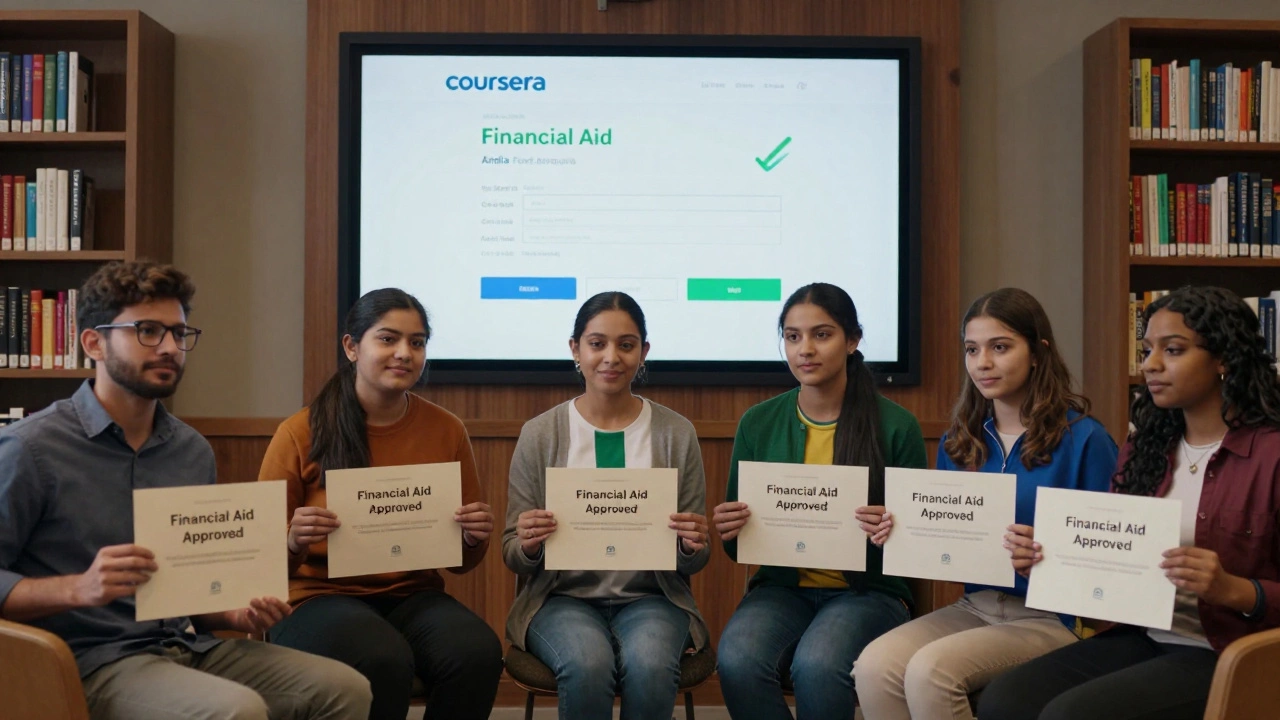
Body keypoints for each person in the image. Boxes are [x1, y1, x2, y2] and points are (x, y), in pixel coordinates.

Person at [0, 261, 371, 719]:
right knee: (237, 710)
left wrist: (235, 614)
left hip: (184, 644)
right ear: (93, 342)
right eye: (149, 331)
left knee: (347, 688)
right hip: (88, 661)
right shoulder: (31, 448)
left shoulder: (190, 450)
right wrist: (79, 588)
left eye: (179, 333)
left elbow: (191, 591)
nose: (171, 348)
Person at [978, 285, 1280, 720]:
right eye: (1147, 350)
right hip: (1139, 634)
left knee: (1071, 714)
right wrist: (1050, 560)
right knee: (1005, 699)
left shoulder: (1270, 455)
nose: (1150, 365)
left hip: (1231, 651)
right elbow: (1112, 560)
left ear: (1224, 360)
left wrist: (1235, 590)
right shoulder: (1146, 450)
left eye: (1172, 350)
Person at [853, 287, 1117, 720]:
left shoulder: (1087, 439)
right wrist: (902, 531)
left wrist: (1047, 554)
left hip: (1054, 617)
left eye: (1000, 347)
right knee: (873, 665)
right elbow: (946, 546)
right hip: (974, 606)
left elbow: (1109, 559)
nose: (983, 363)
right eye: (972, 350)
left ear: (1038, 352)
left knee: (929, 672)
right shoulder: (961, 440)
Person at [258, 287, 501, 720]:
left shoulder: (446, 429)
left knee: (477, 652)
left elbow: (462, 562)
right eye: (388, 339)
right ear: (352, 347)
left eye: (417, 342)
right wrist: (292, 541)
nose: (404, 353)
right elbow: (257, 564)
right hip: (314, 597)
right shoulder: (299, 432)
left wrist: (473, 535)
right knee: (382, 659)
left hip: (412, 595)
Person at [713, 282, 927, 720]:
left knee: (817, 665)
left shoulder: (897, 425)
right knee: (736, 660)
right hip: (782, 589)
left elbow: (917, 547)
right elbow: (737, 549)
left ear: (852, 341)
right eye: (792, 337)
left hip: (867, 593)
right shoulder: (759, 422)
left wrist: (892, 529)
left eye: (821, 335)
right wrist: (732, 526)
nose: (804, 349)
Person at [503, 291, 711, 720]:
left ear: (644, 352)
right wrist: (527, 544)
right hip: (560, 600)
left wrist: (691, 545)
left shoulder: (677, 433)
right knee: (588, 665)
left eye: (627, 344)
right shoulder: (540, 434)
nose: (611, 357)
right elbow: (513, 556)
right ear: (575, 349)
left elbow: (695, 561)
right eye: (597, 343)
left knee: (652, 666)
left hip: (653, 598)